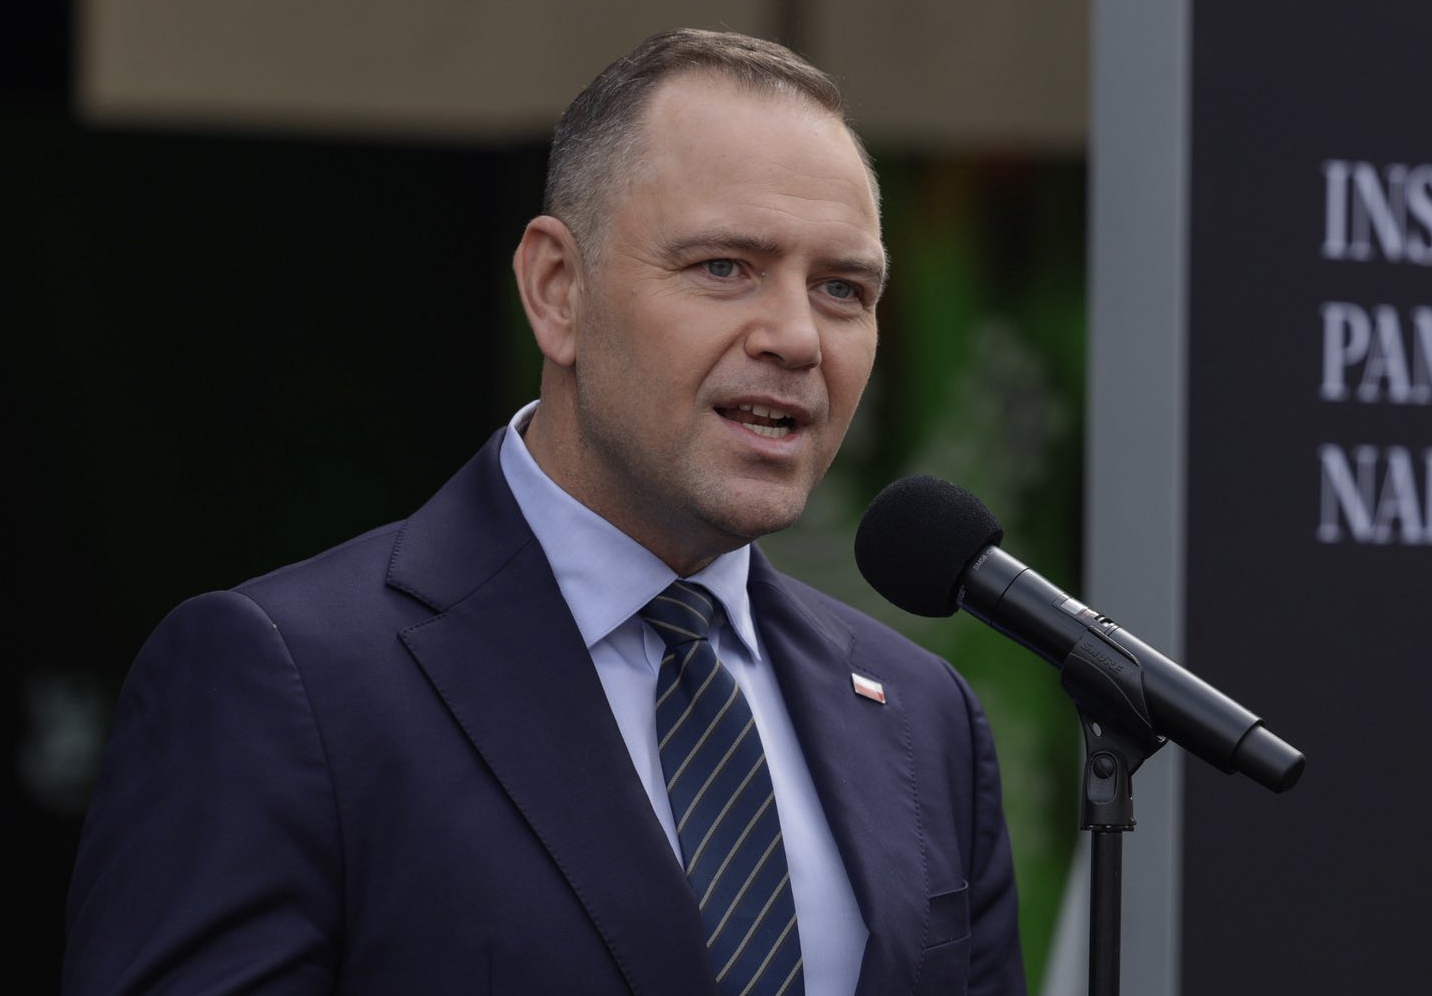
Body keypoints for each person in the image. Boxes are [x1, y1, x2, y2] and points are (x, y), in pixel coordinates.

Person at [64, 28, 1025, 996]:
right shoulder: (290, 680)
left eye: (842, 289)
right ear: (557, 289)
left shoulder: (925, 717)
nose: (796, 337)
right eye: (724, 266)